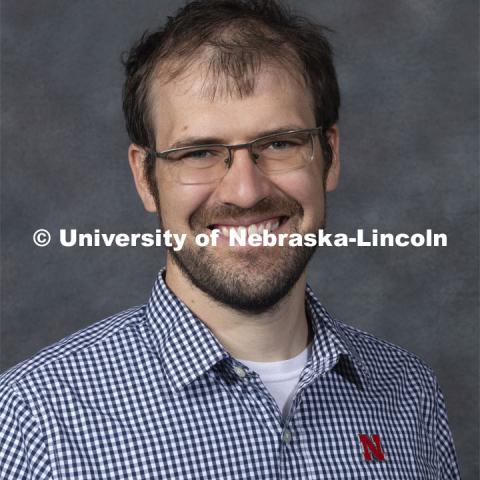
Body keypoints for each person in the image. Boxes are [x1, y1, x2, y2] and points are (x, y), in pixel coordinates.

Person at [0, 0, 460, 478]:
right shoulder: (34, 423)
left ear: (330, 155)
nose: (245, 191)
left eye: (279, 143)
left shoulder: (411, 395)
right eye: (199, 152)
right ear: (144, 177)